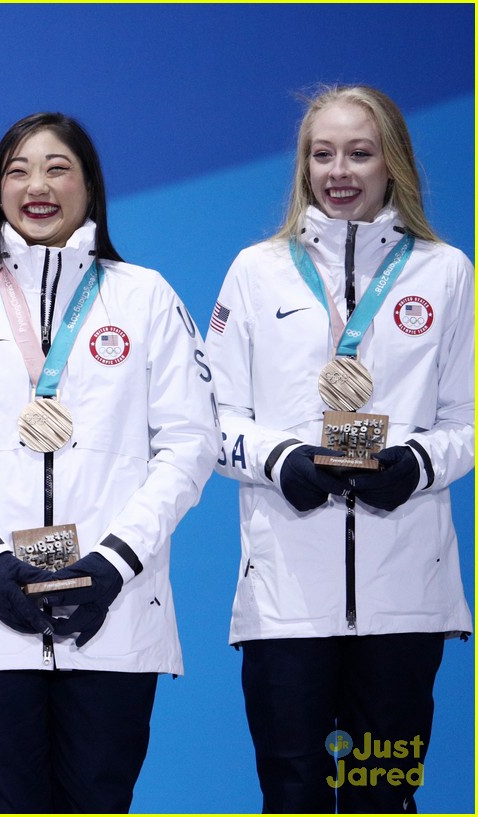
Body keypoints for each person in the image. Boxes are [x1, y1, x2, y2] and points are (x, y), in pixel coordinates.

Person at [0, 112, 219, 812]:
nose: (36, 185)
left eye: (56, 167)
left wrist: (112, 564)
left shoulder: (147, 297)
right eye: (18, 170)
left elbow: (190, 446)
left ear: (91, 184)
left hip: (117, 611)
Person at [206, 85, 473, 813]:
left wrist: (417, 463)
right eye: (322, 153)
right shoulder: (256, 272)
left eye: (360, 152)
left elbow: (468, 418)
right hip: (286, 596)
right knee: (292, 794)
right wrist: (280, 459)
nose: (340, 170)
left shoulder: (446, 272)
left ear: (394, 164)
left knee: (382, 795)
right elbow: (211, 420)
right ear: (303, 166)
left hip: (404, 594)